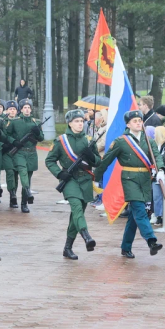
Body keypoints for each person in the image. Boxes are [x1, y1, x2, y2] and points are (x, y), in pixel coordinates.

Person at [94, 110, 165, 259]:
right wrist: (96, 177)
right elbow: (106, 160)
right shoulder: (121, 141)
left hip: (145, 179)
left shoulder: (149, 140)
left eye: (140, 120)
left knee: (134, 216)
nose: (138, 123)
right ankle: (151, 241)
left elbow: (157, 157)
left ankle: (126, 247)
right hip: (129, 179)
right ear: (128, 124)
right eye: (135, 121)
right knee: (139, 209)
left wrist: (161, 169)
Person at [46, 109, 100, 259]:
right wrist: (59, 173)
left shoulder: (89, 140)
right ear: (69, 123)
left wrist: (92, 157)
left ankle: (67, 247)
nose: (80, 124)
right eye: (76, 121)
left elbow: (98, 161)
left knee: (77, 215)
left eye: (82, 121)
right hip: (70, 180)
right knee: (76, 207)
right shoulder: (61, 140)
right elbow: (49, 160)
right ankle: (86, 236)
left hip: (85, 180)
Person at [6, 99, 43, 212]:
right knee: (23, 173)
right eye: (25, 107)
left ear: (31, 109)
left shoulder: (35, 122)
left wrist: (37, 132)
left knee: (28, 176)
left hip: (31, 152)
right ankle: (27, 191)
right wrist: (14, 141)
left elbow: (41, 138)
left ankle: (24, 203)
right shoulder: (15, 121)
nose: (27, 109)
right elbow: (7, 134)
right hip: (19, 152)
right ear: (21, 109)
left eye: (29, 107)